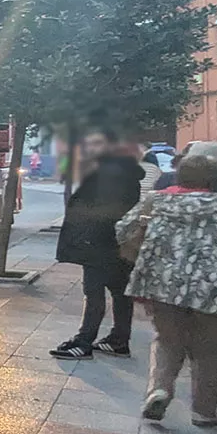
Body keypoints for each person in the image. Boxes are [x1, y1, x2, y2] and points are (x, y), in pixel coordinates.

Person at [115, 143, 217, 426]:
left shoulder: (157, 201)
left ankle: (159, 390)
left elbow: (123, 229)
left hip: (162, 284)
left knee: (167, 341)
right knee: (209, 350)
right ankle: (203, 411)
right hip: (212, 292)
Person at [50, 129, 145, 360]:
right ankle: (119, 340)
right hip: (117, 244)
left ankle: (84, 342)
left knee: (94, 291)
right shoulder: (125, 172)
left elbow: (100, 211)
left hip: (99, 244)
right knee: (120, 292)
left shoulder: (106, 173)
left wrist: (85, 238)